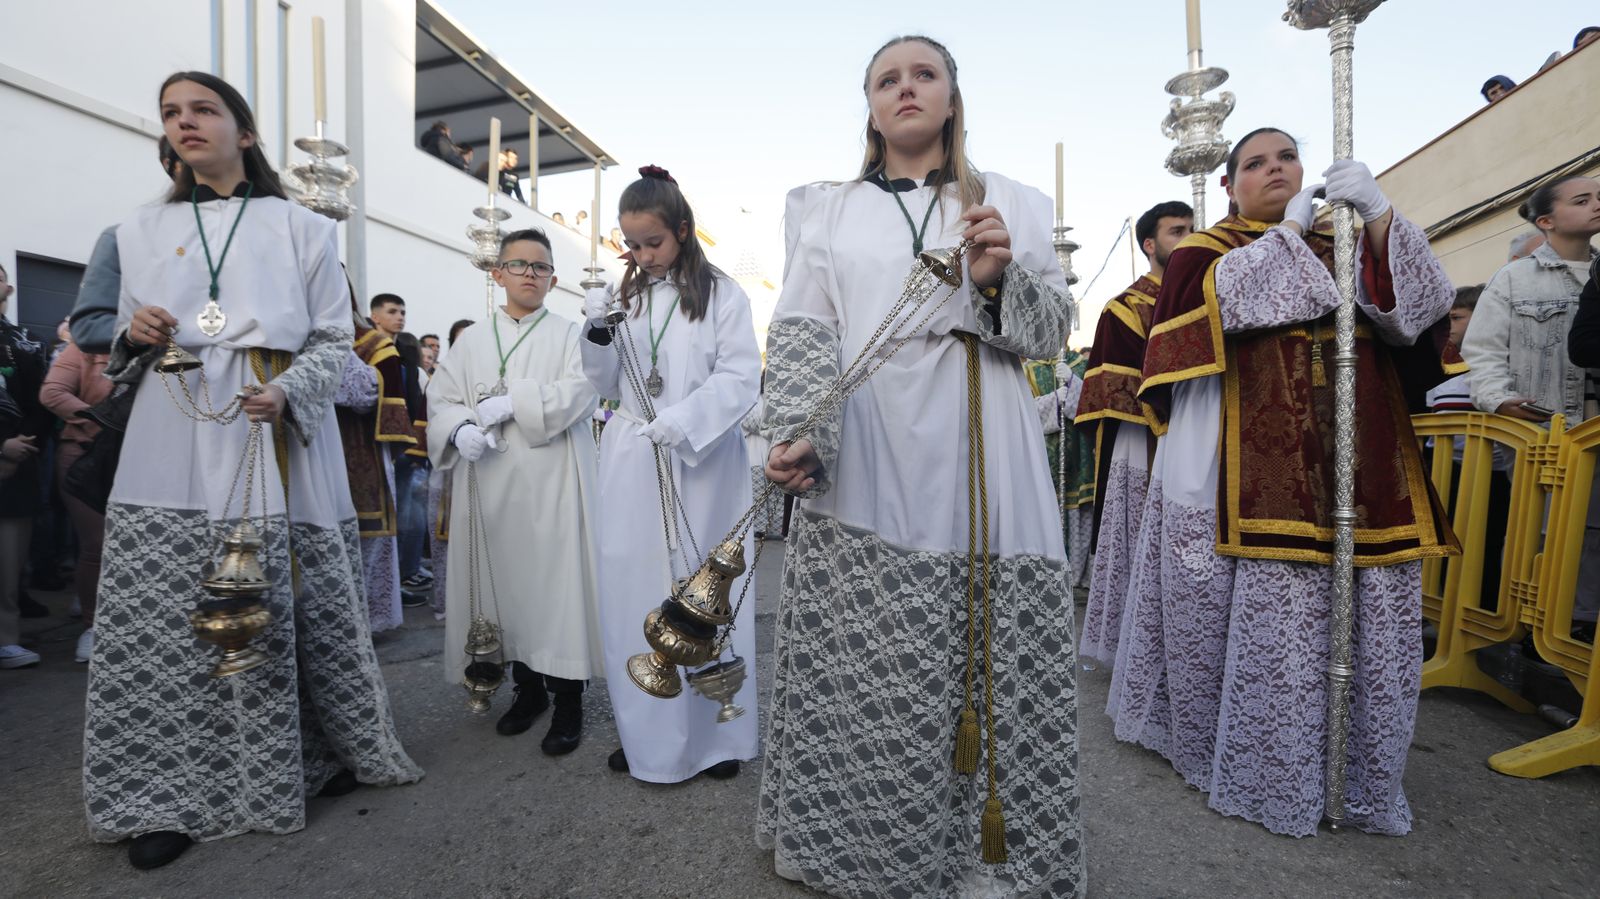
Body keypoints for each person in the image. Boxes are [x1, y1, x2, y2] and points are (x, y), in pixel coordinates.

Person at [757, 35, 1083, 896]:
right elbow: (802, 334)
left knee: (980, 657)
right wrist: (799, 433)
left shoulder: (1011, 199)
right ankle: (860, 847)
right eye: (886, 80)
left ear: (952, 96)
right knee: (873, 676)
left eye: (923, 75)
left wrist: (995, 279)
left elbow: (1050, 337)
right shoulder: (824, 210)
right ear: (868, 105)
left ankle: (986, 861)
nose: (905, 90)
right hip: (866, 444)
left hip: (985, 446)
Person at [83, 71, 421, 871]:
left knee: (277, 603)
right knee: (173, 615)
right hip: (174, 428)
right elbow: (99, 331)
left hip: (274, 429)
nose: (183, 123)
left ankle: (297, 760)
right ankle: (162, 790)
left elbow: (334, 341)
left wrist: (287, 388)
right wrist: (131, 331)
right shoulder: (131, 229)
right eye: (170, 113)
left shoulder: (301, 226)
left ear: (247, 130)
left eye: (202, 109)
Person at [1110, 127, 1456, 837]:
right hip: (1239, 459)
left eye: (1287, 159)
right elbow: (1231, 307)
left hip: (1358, 453)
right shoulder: (1205, 252)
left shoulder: (1352, 240)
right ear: (1231, 185)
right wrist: (1293, 233)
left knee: (1362, 608)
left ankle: (1357, 773)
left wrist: (1384, 217)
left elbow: (1416, 315)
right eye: (1255, 164)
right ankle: (1251, 757)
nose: (1274, 170)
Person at [579, 166, 761, 782]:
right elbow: (603, 385)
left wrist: (683, 421)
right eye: (631, 244)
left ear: (683, 229)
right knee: (634, 586)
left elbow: (740, 376)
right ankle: (646, 739)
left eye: (652, 241)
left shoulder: (723, 295)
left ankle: (712, 738)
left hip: (701, 460)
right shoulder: (625, 298)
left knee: (702, 589)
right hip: (633, 454)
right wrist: (596, 332)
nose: (641, 254)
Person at [428, 227, 602, 755]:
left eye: (542, 267)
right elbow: (442, 396)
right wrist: (457, 428)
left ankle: (568, 697)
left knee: (556, 590)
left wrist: (515, 404)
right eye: (520, 265)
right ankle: (527, 692)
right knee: (507, 591)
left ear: (552, 279)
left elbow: (583, 390)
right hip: (491, 485)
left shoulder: (570, 334)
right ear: (497, 272)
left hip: (552, 483)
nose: (531, 273)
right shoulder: (471, 340)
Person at [1464, 175, 1600, 638]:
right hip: (1541, 430)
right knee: (1536, 533)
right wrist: (1499, 399)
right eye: (1582, 200)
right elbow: (1481, 351)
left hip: (1594, 432)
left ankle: (1575, 629)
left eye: (1599, 197)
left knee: (1594, 533)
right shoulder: (1514, 277)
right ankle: (1521, 630)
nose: (1596, 205)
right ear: (1546, 221)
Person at [1075, 199, 1193, 668]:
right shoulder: (1126, 309)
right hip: (1146, 444)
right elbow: (1107, 392)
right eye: (1175, 232)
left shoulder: (1208, 293)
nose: (1186, 238)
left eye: (1190, 229)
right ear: (1150, 244)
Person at [1426, 285, 1512, 611]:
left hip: (1491, 469)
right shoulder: (1439, 365)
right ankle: (1439, 608)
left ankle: (1479, 610)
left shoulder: (1493, 366)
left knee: (1485, 541)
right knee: (1441, 541)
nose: (1451, 325)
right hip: (1443, 467)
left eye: (1457, 317)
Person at [333, 292, 411, 634]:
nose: (400, 317)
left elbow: (366, 397)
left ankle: (367, 622)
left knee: (368, 542)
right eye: (392, 311)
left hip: (360, 451)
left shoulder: (374, 344)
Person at [39, 321, 111, 661]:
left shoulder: (163, 344)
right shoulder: (86, 345)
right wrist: (102, 418)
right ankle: (93, 626)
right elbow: (52, 393)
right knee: (97, 545)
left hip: (143, 457)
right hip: (84, 455)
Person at [73, 139, 184, 354]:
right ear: (170, 165)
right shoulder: (121, 237)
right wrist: (133, 331)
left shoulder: (253, 231)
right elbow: (88, 327)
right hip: (163, 379)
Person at [0, 262, 48, 669]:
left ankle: (6, 638)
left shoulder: (27, 342)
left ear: (8, 287)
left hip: (18, 466)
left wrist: (19, 448)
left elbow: (41, 401)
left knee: (8, 560)